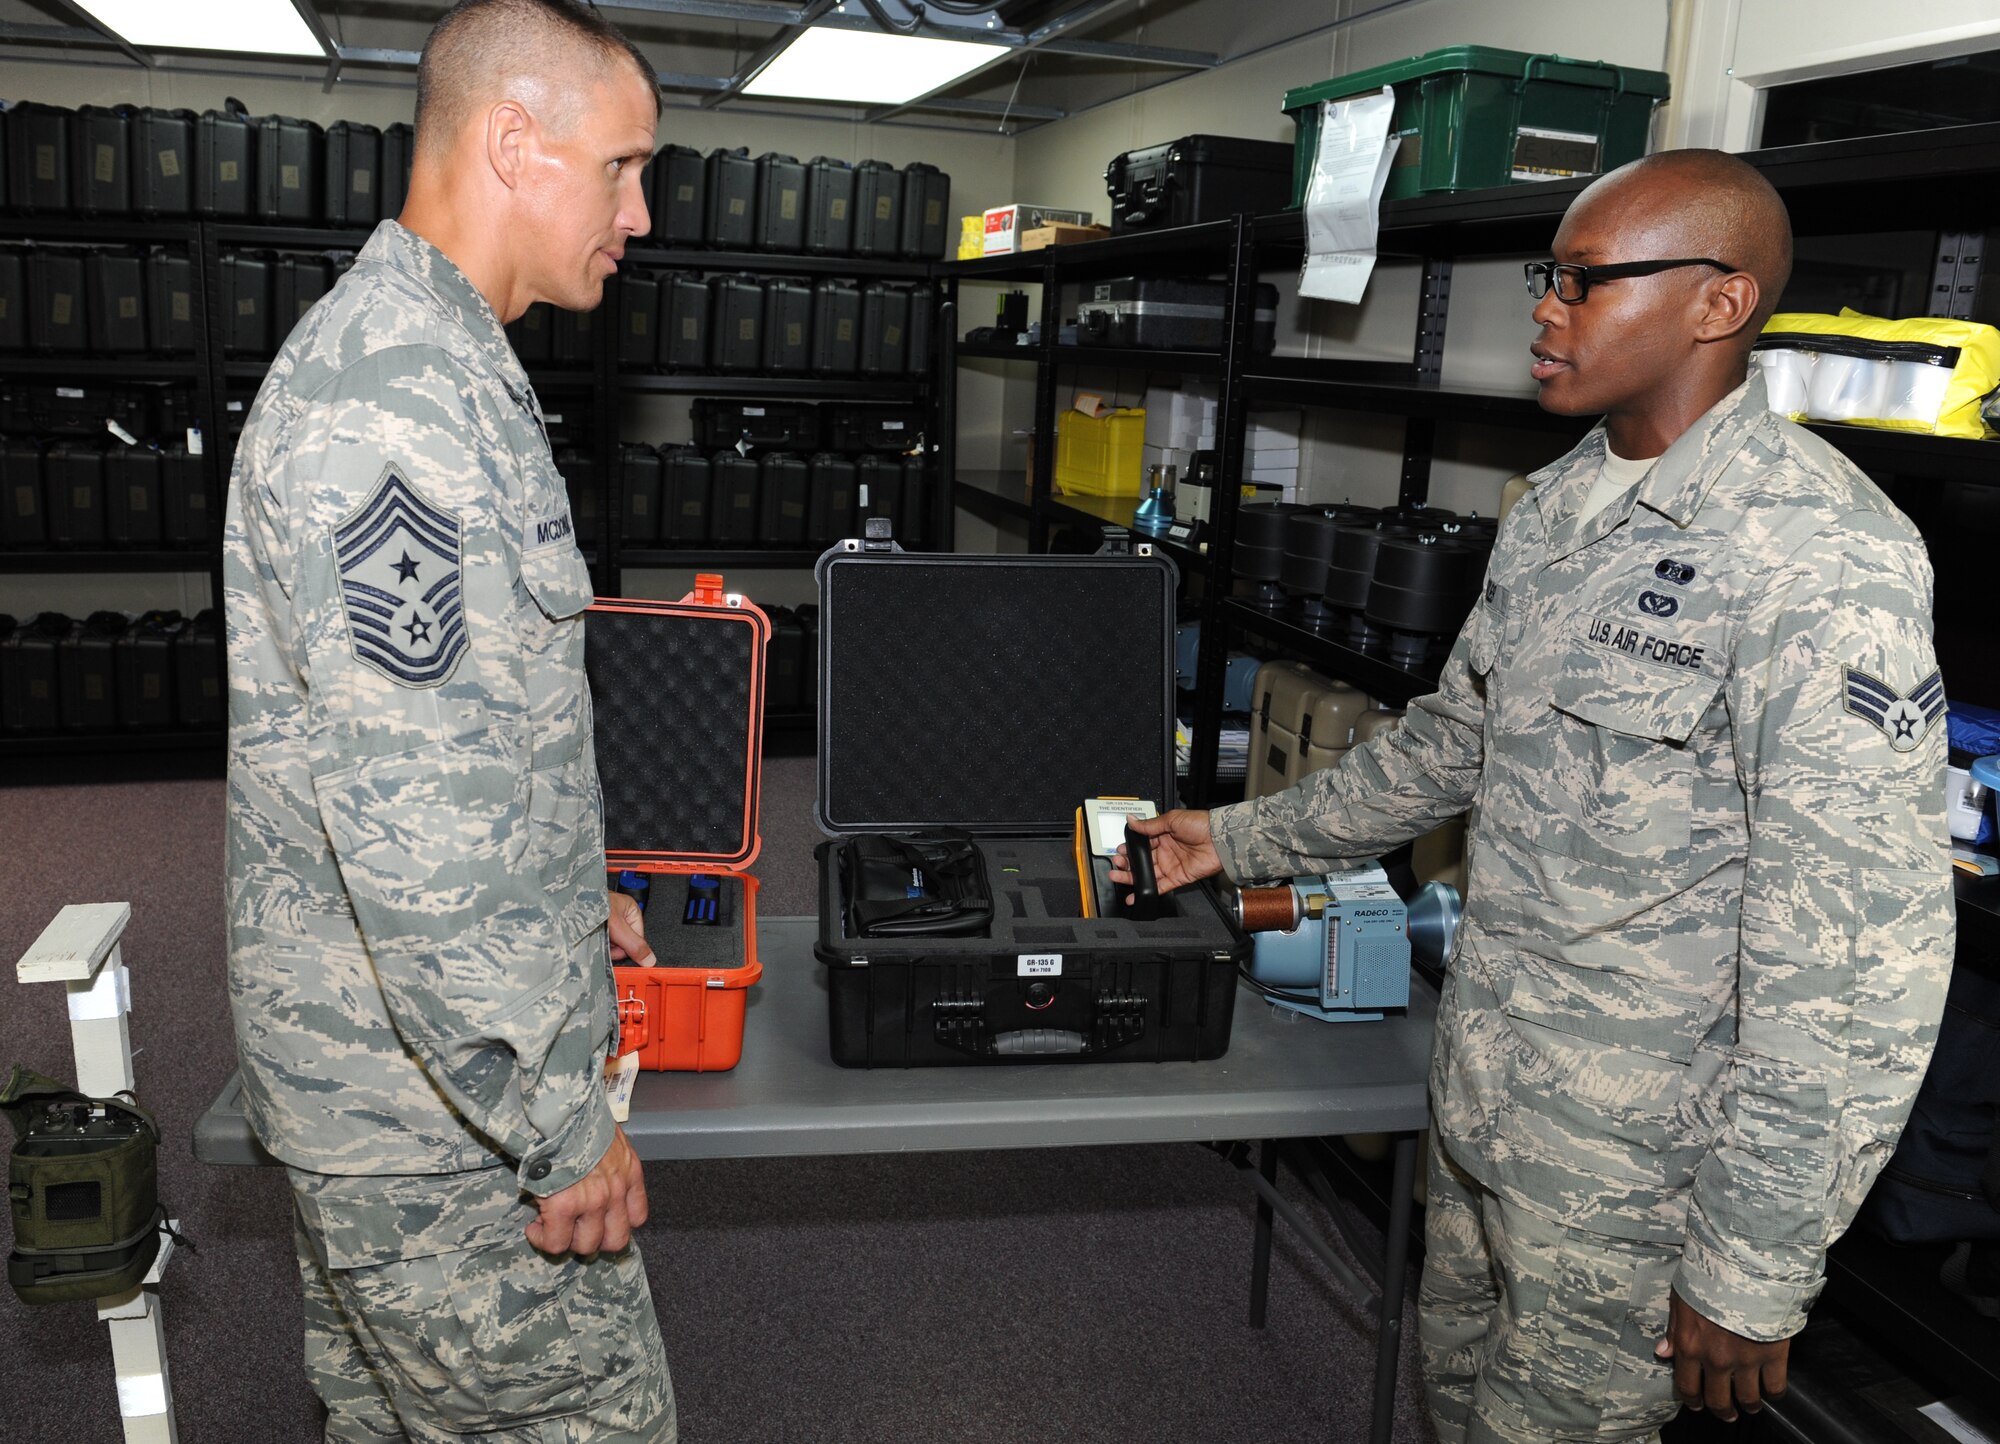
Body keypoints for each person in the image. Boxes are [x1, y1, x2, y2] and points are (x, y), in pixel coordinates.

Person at [1117, 149, 1954, 1442]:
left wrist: (1754, 1259)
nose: (1546, 312)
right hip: (1483, 1097)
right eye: (1544, 279)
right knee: (1455, 1404)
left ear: (1718, 303)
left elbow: (1854, 954)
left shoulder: (1824, 552)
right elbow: (1450, 744)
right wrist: (1229, 838)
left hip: (1635, 1174)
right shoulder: (1558, 507)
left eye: (1583, 282)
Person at [223, 1, 674, 1438]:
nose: (641, 212)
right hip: (441, 1134)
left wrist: (566, 895)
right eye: (621, 167)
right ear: (513, 142)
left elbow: (456, 749)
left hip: (402, 1092)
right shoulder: (398, 401)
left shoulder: (443, 358)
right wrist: (559, 1133)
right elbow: (422, 839)